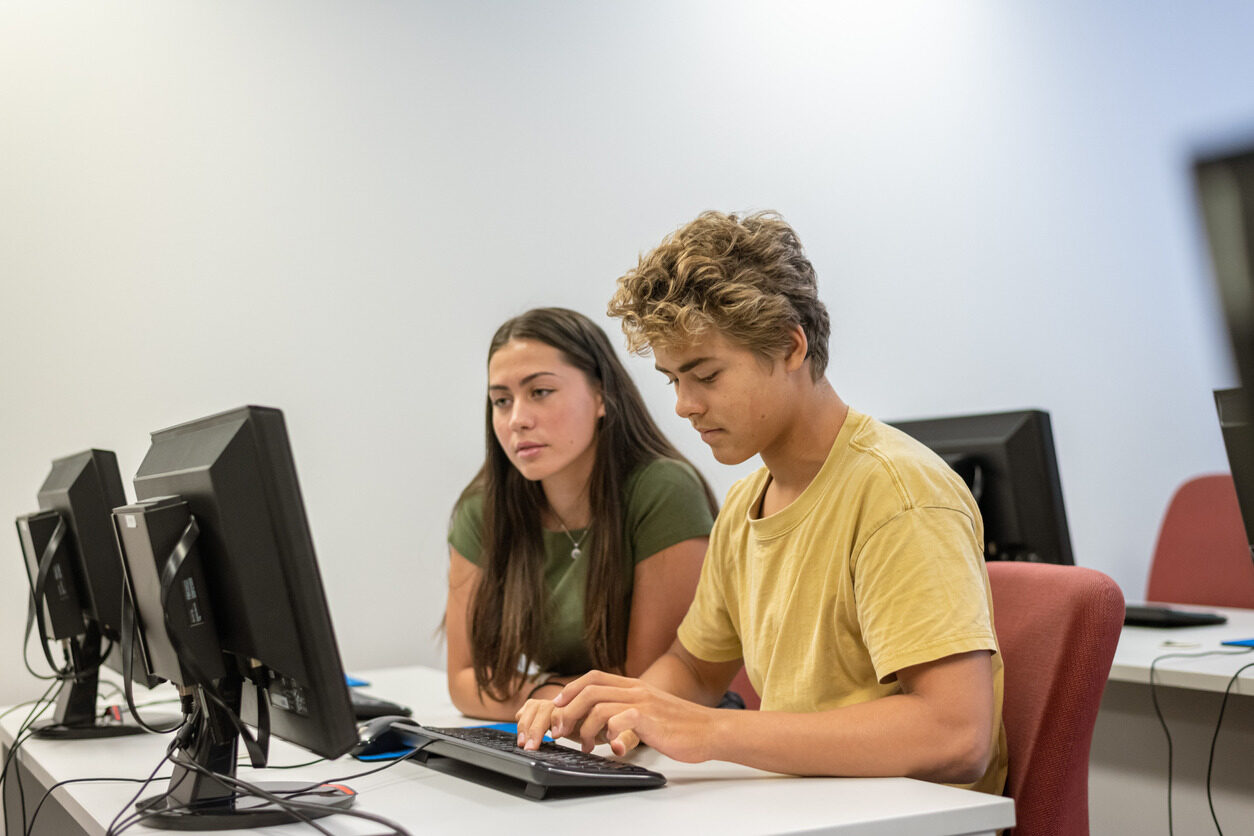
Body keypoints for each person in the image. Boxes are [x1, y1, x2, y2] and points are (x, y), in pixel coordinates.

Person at [516, 213, 1007, 795]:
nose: (684, 405)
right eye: (674, 380)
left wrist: (713, 730)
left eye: (706, 375)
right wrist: (615, 712)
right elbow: (697, 668)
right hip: (804, 807)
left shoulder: (899, 494)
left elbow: (955, 736)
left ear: (791, 346)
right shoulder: (748, 500)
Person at [446, 307, 718, 721]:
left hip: (666, 733)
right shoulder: (483, 508)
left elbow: (642, 687)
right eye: (501, 401)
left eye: (540, 392)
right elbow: (465, 682)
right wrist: (552, 697)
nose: (517, 419)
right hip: (566, 726)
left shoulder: (663, 491)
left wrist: (543, 698)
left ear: (601, 397)